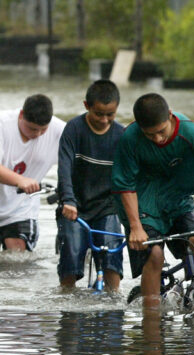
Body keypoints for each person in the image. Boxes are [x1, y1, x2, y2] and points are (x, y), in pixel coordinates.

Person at [112, 93, 194, 308]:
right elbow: (125, 186)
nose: (157, 139)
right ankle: (151, 321)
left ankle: (190, 282)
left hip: (177, 197)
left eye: (161, 132)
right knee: (154, 254)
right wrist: (135, 227)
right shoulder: (129, 138)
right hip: (142, 200)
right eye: (150, 135)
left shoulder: (191, 134)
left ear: (170, 116)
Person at [0, 94, 65, 252]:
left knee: (17, 257)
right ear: (21, 115)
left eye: (43, 130)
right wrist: (20, 180)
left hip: (21, 206)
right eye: (32, 128)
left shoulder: (60, 130)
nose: (37, 134)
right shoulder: (0, 122)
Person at [57, 80, 125, 291]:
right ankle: (67, 300)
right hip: (75, 207)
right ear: (86, 106)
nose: (104, 120)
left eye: (110, 115)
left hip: (107, 206)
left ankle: (113, 300)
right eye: (99, 114)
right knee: (71, 256)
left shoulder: (121, 135)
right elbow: (64, 168)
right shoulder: (73, 129)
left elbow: (128, 178)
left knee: (112, 255)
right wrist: (68, 200)